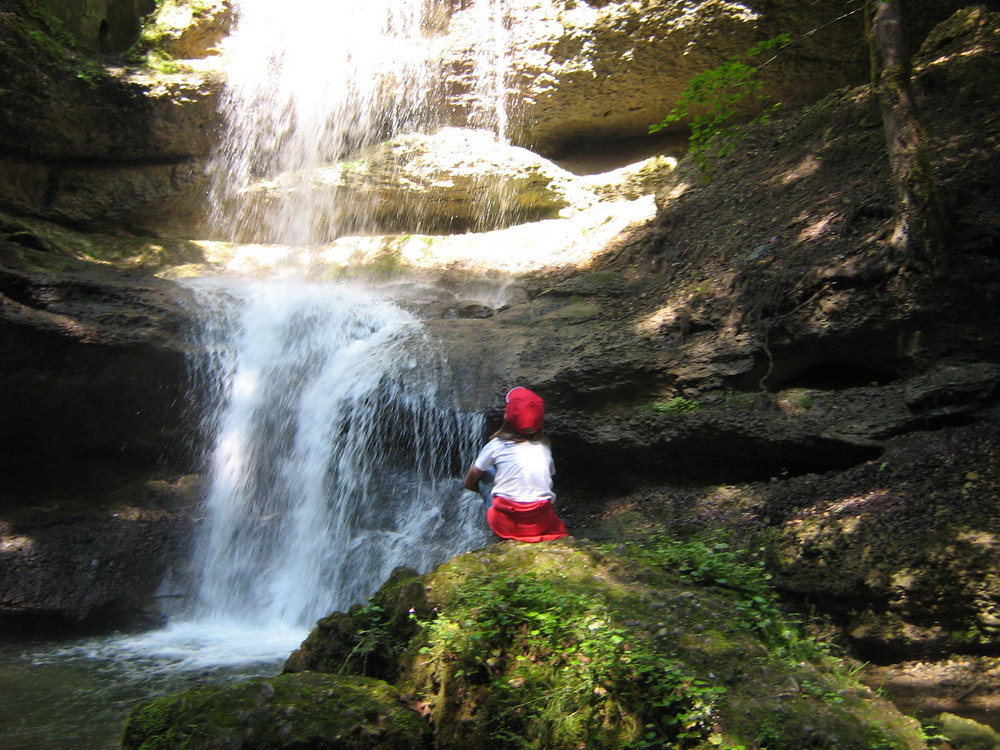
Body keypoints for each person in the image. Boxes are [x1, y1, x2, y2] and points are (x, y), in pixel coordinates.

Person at [464, 386, 569, 542]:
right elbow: (550, 476)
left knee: (486, 470)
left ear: (507, 416)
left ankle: (498, 523)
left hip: (505, 524)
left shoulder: (496, 445)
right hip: (541, 523)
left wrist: (479, 490)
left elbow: (470, 480)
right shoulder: (544, 446)